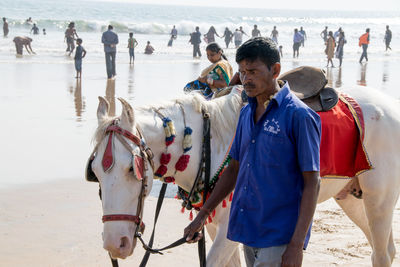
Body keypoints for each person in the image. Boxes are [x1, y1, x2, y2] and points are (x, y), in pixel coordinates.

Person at [184, 37, 321, 267]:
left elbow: (312, 182)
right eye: (242, 71)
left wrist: (296, 245)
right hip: (249, 230)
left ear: (275, 70)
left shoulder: (299, 116)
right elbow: (234, 168)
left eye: (253, 72)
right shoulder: (247, 113)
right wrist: (202, 215)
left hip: (280, 236)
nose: (246, 79)